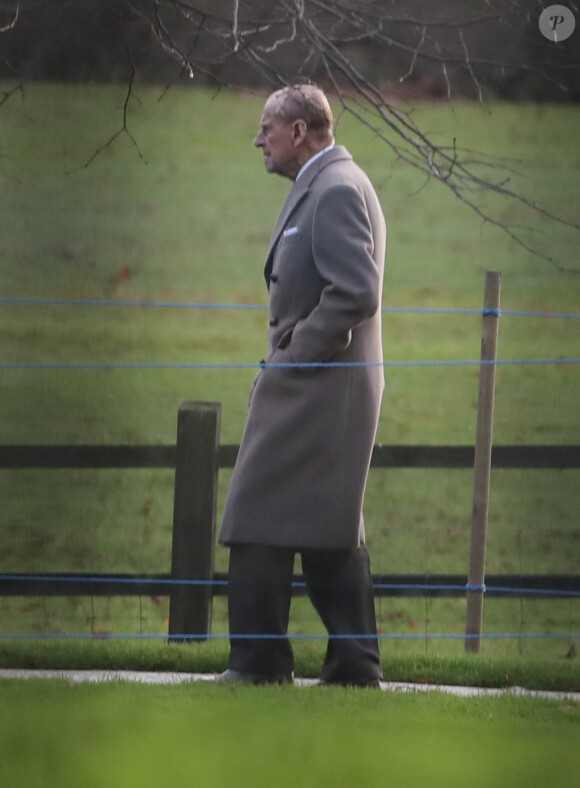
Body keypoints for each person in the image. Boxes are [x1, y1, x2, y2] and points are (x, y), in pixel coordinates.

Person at [217, 84, 386, 687]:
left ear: (299, 132)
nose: (257, 138)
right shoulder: (326, 184)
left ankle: (259, 664)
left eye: (267, 126)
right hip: (319, 389)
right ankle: (354, 666)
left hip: (319, 387)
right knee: (325, 524)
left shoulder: (336, 189)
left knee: (255, 513)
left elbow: (357, 292)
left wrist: (292, 356)